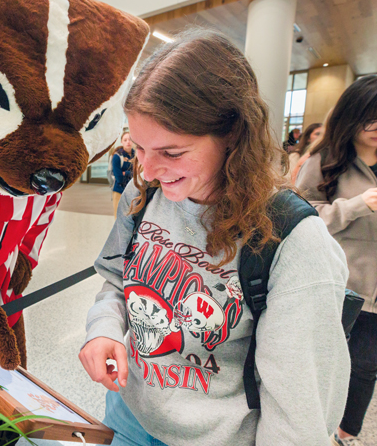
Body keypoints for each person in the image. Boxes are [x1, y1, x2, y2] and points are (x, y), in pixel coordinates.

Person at [79, 29, 350, 446]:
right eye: (139, 148)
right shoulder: (143, 193)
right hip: (129, 412)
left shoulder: (293, 240)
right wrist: (104, 328)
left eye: (171, 153)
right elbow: (116, 280)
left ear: (233, 137)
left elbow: (299, 410)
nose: (148, 170)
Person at [296, 75, 377, 446]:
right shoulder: (324, 161)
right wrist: (357, 206)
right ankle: (312, 429)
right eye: (369, 117)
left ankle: (346, 435)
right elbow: (297, 219)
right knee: (322, 364)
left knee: (365, 368)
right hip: (337, 287)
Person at [111, 130, 136, 217]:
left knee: (132, 218)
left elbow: (140, 174)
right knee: (119, 217)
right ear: (121, 142)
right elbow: (119, 177)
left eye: (130, 139)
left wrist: (126, 173)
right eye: (125, 140)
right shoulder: (117, 156)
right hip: (119, 191)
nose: (128, 142)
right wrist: (132, 173)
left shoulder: (137, 155)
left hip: (134, 192)